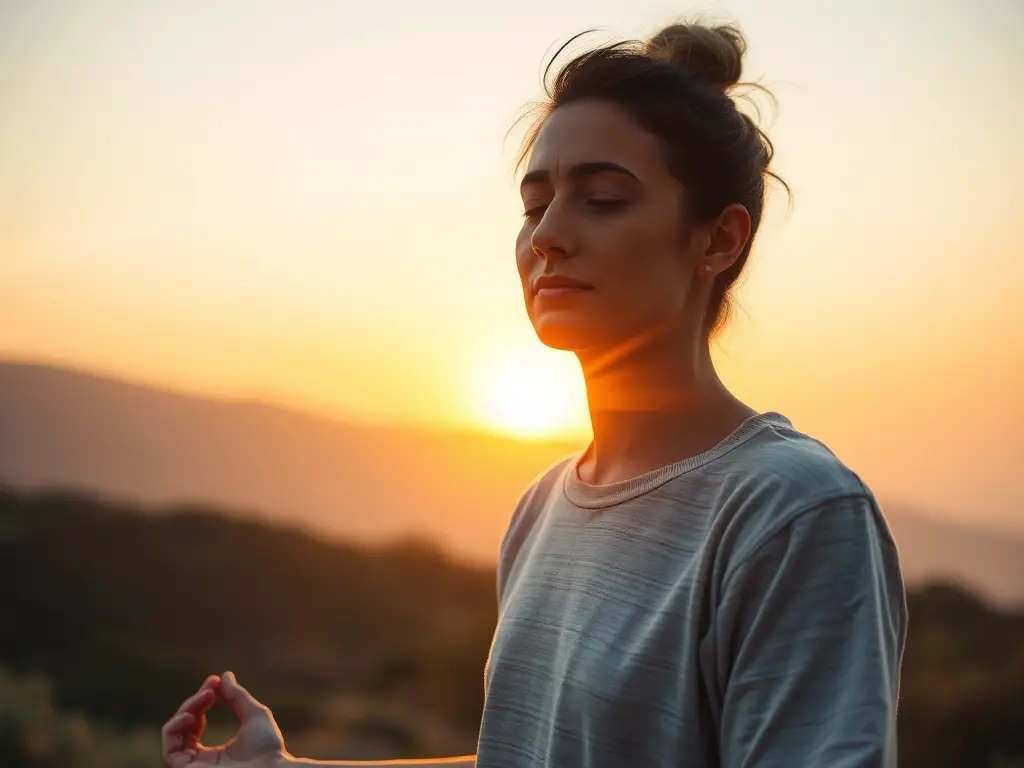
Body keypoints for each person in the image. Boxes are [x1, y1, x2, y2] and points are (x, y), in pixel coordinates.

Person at [162, 19, 907, 768]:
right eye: (533, 204)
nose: (547, 235)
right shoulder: (544, 507)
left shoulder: (791, 512)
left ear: (718, 240)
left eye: (604, 199)